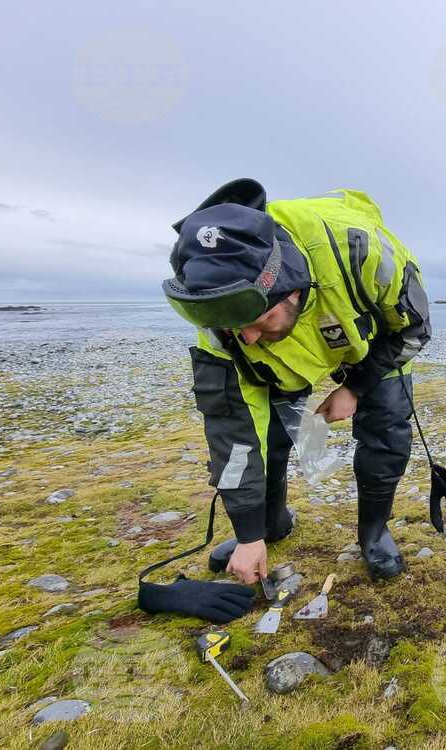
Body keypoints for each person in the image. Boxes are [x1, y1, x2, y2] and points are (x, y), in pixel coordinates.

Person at [162, 179, 430, 582]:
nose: (246, 338)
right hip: (284, 362)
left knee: (387, 432)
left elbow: (414, 330)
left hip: (371, 339)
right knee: (267, 438)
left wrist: (354, 388)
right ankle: (268, 526)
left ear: (288, 289)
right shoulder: (221, 326)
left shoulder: (362, 249)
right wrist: (248, 534)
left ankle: (374, 534)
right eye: (235, 329)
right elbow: (231, 434)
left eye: (259, 321)